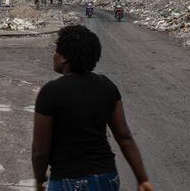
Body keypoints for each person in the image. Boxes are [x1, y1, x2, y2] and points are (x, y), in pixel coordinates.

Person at [32, 25, 154, 191]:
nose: (54, 55)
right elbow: (124, 136)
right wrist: (143, 179)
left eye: (56, 51)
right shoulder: (107, 86)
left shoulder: (50, 92)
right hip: (107, 177)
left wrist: (39, 179)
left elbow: (40, 150)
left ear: (64, 58)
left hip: (68, 180)